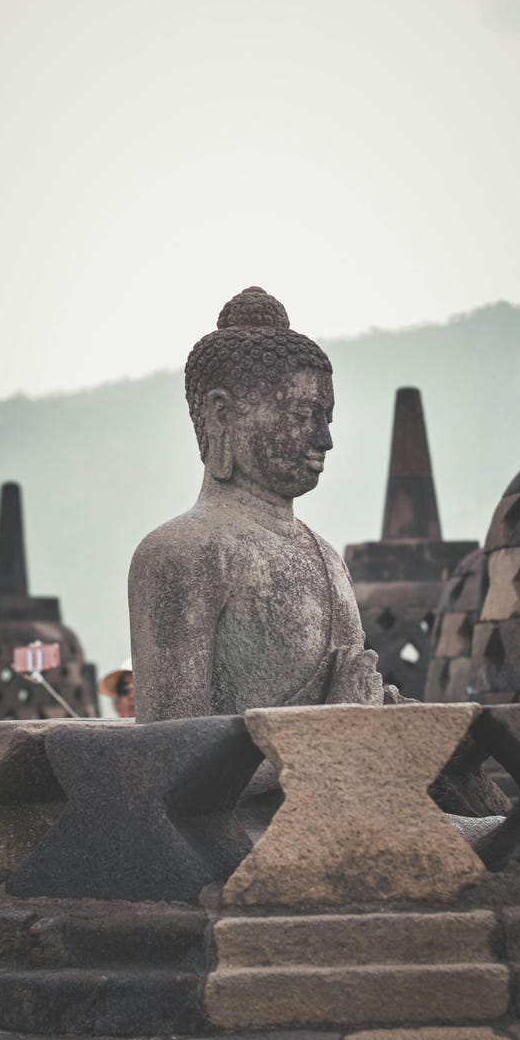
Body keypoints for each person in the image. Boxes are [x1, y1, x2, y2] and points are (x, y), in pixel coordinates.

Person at [129, 287, 388, 723]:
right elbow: (170, 754)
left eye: (327, 418)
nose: (324, 440)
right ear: (222, 413)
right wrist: (338, 724)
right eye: (301, 416)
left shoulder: (327, 558)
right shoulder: (181, 555)